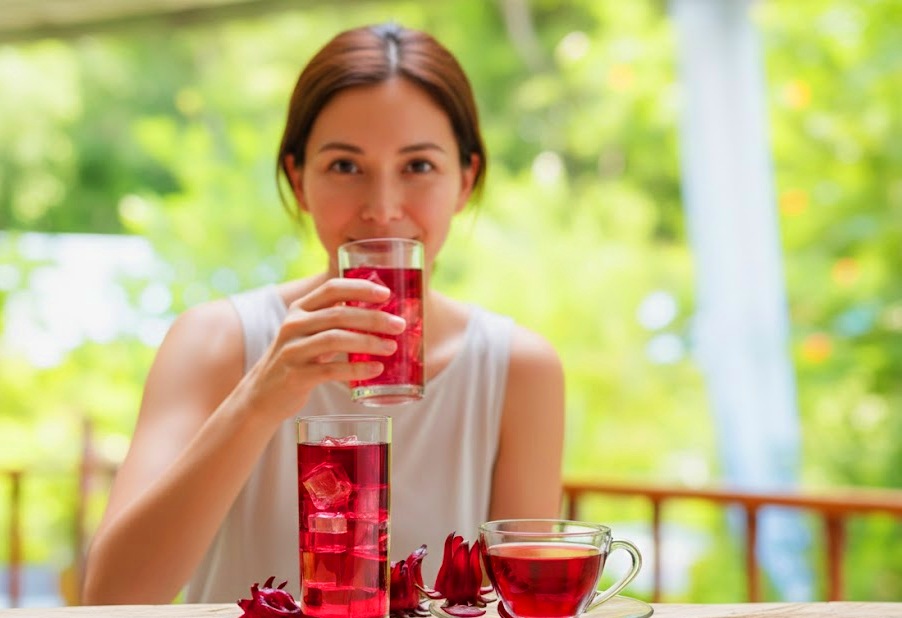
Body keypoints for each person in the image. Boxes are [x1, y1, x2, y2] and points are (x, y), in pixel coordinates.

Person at [82, 22, 564, 605]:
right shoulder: (216, 341)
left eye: (418, 166)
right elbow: (111, 596)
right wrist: (259, 399)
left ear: (466, 180)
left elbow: (521, 607)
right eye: (344, 166)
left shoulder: (517, 369)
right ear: (298, 179)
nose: (382, 210)